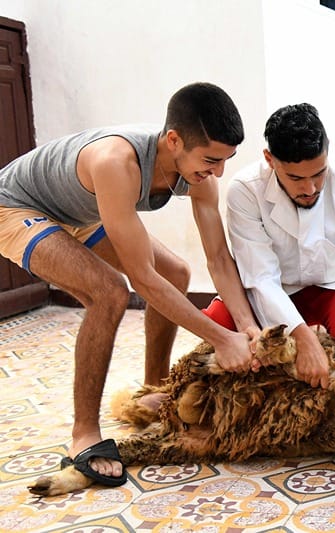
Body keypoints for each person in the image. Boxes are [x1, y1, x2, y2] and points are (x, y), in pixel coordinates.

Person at [0, 82, 261, 487]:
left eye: (226, 160)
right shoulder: (115, 162)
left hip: (79, 211)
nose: (218, 172)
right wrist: (221, 340)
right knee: (110, 292)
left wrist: (245, 326)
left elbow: (218, 259)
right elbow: (142, 280)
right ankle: (84, 433)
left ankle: (151, 392)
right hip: (17, 205)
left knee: (177, 272)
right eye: (211, 160)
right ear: (174, 140)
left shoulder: (199, 172)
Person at [207, 103, 335, 389]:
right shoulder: (244, 190)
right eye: (296, 178)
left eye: (319, 174)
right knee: (217, 322)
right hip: (271, 290)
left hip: (333, 285)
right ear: (269, 159)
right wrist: (302, 339)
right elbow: (261, 277)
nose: (311, 189)